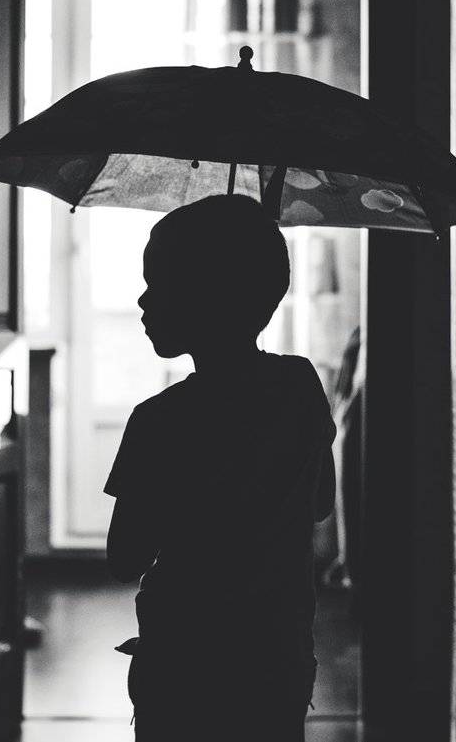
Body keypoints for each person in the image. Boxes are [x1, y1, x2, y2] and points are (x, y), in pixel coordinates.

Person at [104, 193, 337, 742]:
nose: (142, 300)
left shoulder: (158, 420)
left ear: (205, 298)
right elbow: (321, 503)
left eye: (158, 284)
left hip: (182, 662)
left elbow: (124, 558)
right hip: (276, 655)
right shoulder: (300, 386)